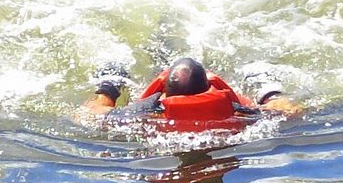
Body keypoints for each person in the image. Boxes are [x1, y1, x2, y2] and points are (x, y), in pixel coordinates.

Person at [82, 56, 302, 131]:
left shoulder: (145, 115)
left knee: (107, 90)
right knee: (273, 100)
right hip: (233, 107)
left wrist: (106, 93)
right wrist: (276, 103)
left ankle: (111, 80)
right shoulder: (240, 114)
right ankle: (263, 83)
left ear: (164, 96)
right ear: (210, 89)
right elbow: (291, 112)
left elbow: (90, 114)